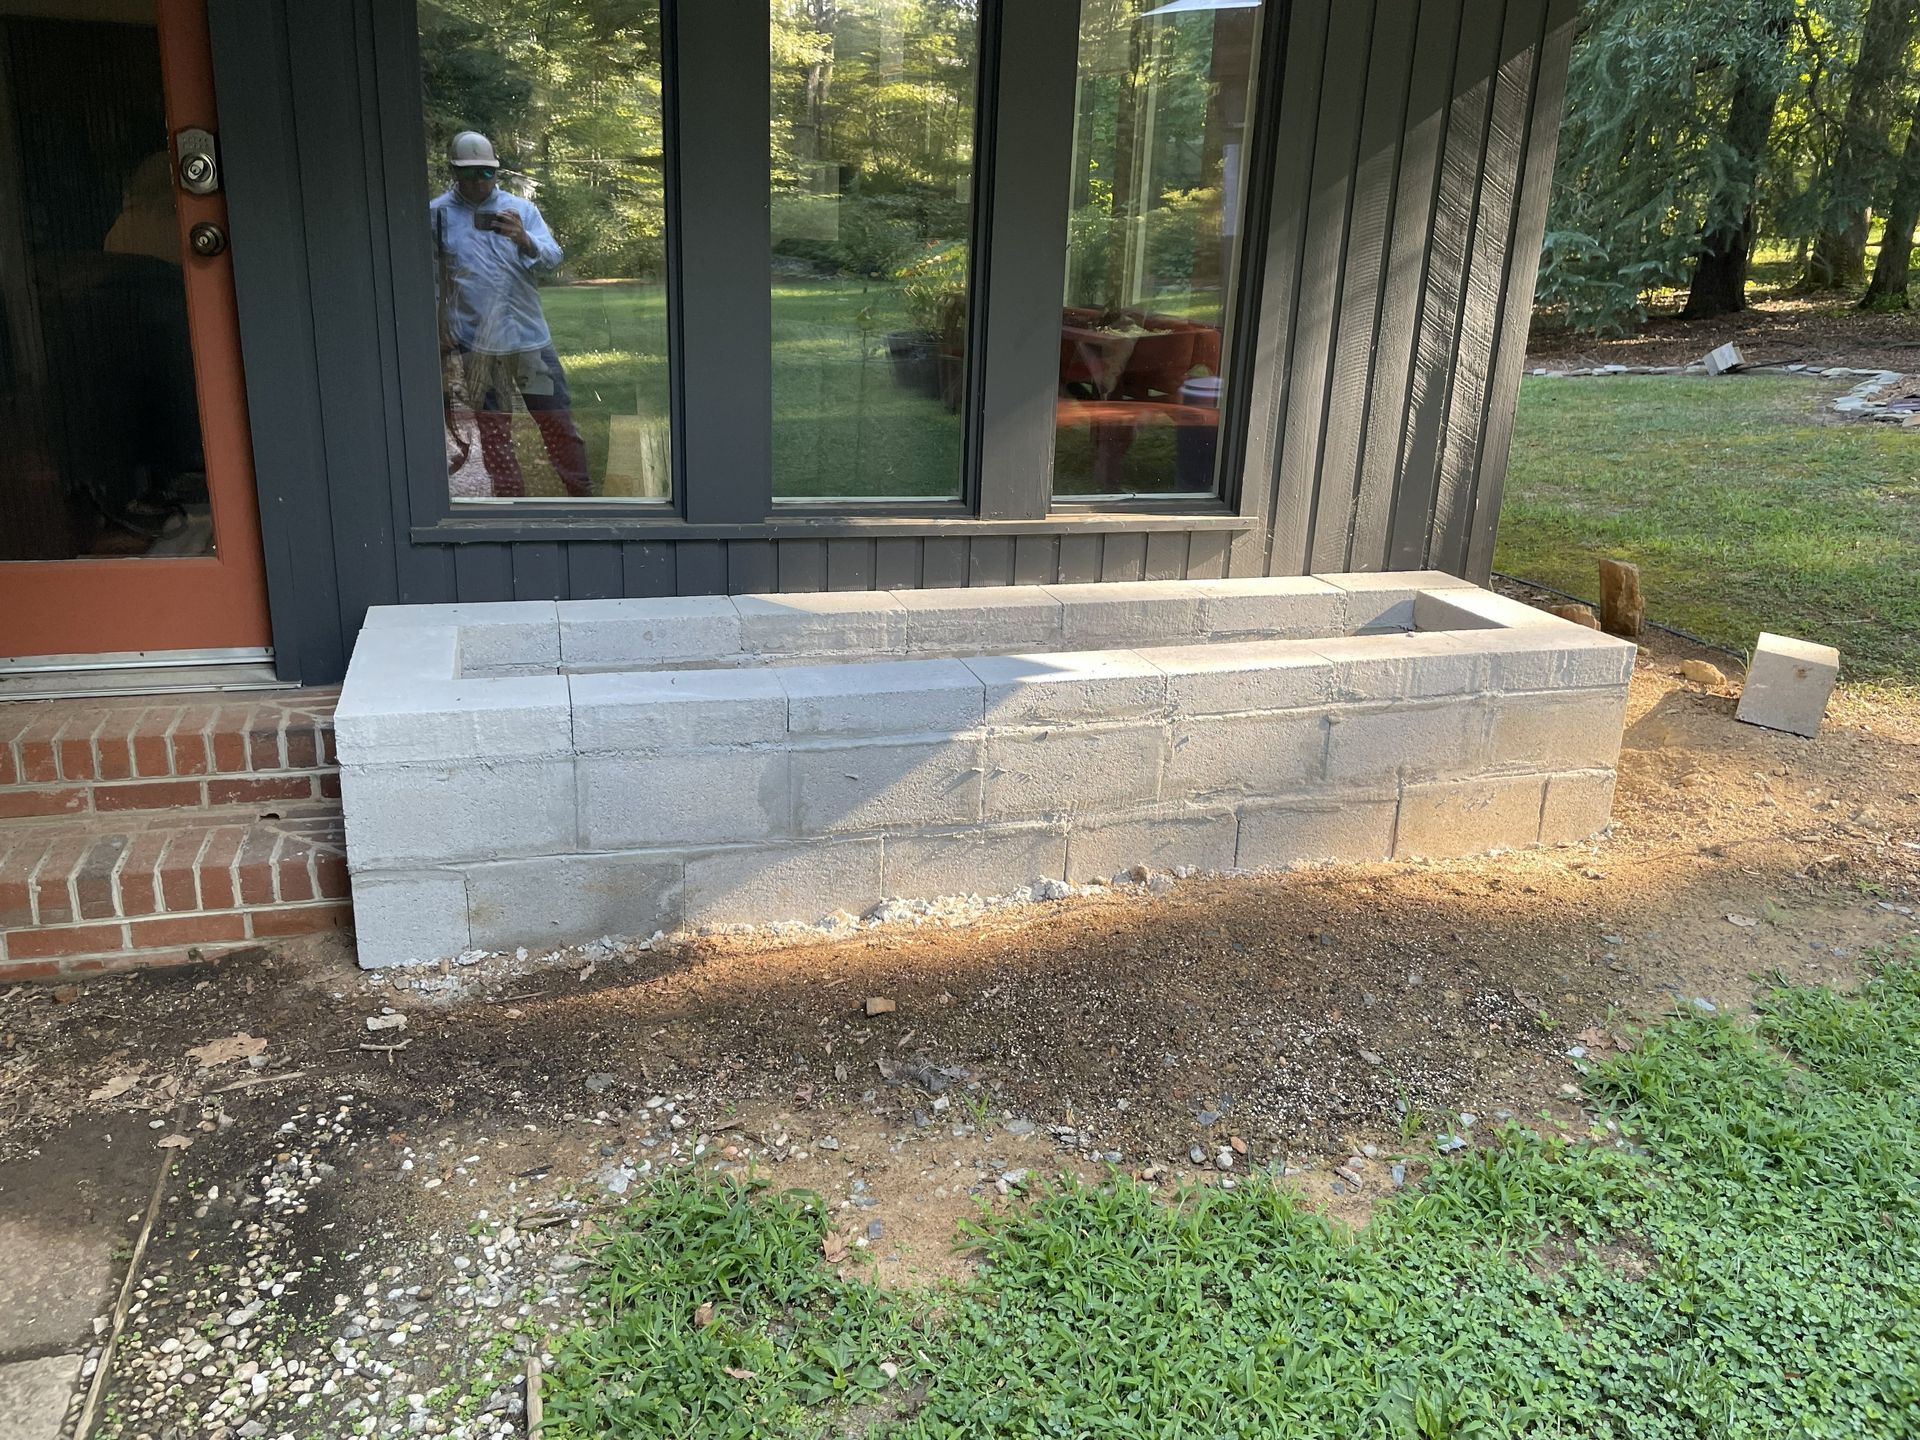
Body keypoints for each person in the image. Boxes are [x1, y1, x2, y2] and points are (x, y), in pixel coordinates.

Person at [430, 130, 591, 498]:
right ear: (455, 172)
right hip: (475, 343)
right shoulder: (436, 215)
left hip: (528, 339)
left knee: (557, 422)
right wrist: (439, 326)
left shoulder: (522, 210)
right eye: (470, 173)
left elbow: (553, 259)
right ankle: (511, 504)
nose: (480, 181)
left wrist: (524, 239)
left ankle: (584, 497)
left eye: (487, 172)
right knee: (494, 430)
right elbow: (429, 278)